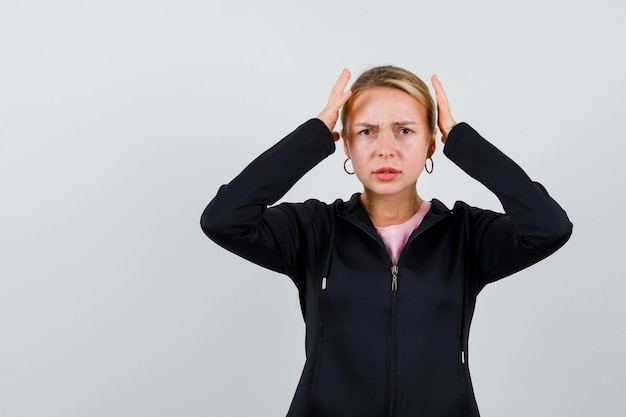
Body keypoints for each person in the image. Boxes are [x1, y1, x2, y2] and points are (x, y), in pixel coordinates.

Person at [200, 66, 572, 417]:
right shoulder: (312, 229)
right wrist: (314, 135)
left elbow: (549, 227)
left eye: (405, 130)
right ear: (345, 145)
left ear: (431, 144)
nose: (385, 149)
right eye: (366, 131)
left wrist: (461, 142)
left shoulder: (466, 234)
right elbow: (224, 219)